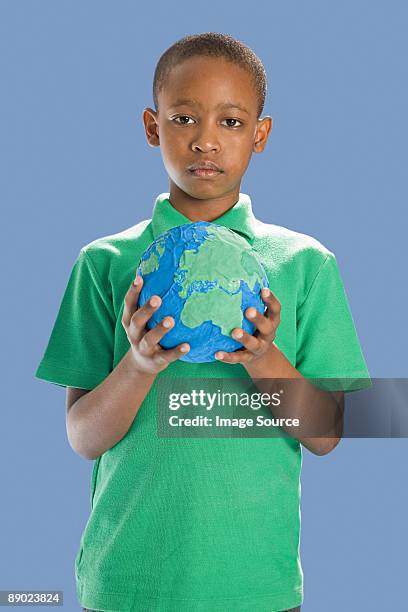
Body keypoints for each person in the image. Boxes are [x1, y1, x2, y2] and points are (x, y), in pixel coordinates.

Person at [35, 32, 370, 612]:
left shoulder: (305, 265)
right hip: (126, 586)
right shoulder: (105, 263)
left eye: (232, 122)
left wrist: (264, 358)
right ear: (151, 126)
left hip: (255, 590)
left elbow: (328, 435)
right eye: (184, 117)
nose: (206, 141)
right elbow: (83, 438)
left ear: (261, 134)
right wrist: (140, 364)